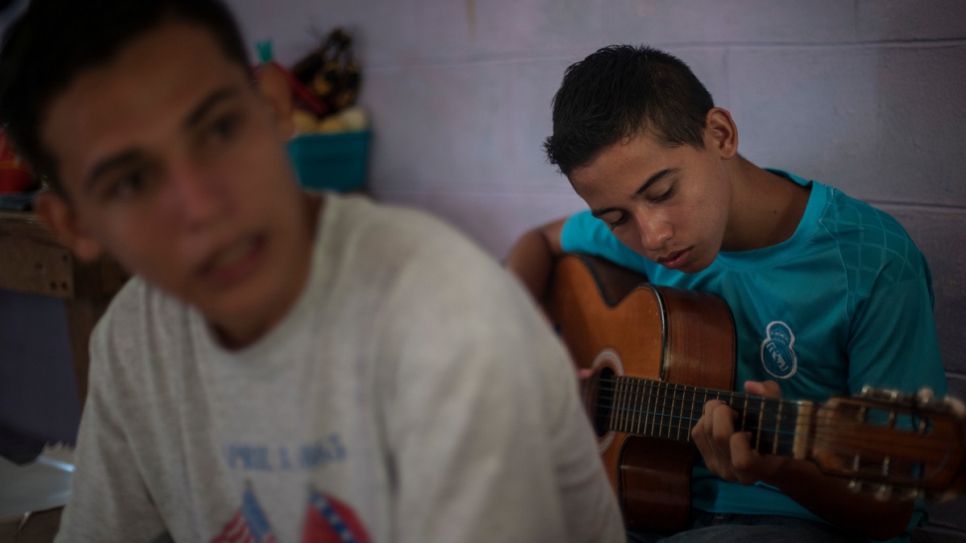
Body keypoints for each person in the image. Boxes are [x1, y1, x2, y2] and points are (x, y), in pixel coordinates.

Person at [0, 1, 626, 541]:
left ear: (274, 107)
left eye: (219, 129)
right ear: (75, 225)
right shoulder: (137, 338)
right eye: (132, 181)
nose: (203, 207)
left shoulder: (447, 318)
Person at [506, 45, 948, 543]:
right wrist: (523, 341)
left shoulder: (875, 263)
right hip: (651, 505)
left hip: (801, 523)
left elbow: (890, 511)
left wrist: (779, 468)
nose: (652, 237)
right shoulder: (647, 233)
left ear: (720, 135)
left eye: (662, 193)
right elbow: (536, 242)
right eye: (616, 218)